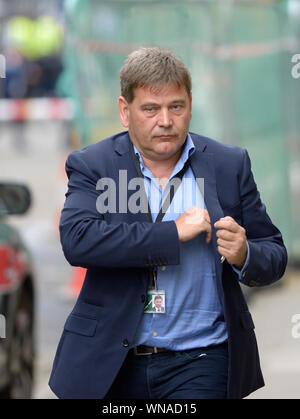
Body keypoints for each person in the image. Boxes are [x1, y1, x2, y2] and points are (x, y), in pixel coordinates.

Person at [48, 47, 287, 399]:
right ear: (124, 111)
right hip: (112, 361)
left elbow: (275, 254)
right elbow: (78, 239)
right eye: (150, 109)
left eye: (176, 106)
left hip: (203, 359)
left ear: (190, 104)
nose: (165, 120)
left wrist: (245, 253)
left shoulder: (228, 164)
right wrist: (172, 233)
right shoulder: (94, 165)